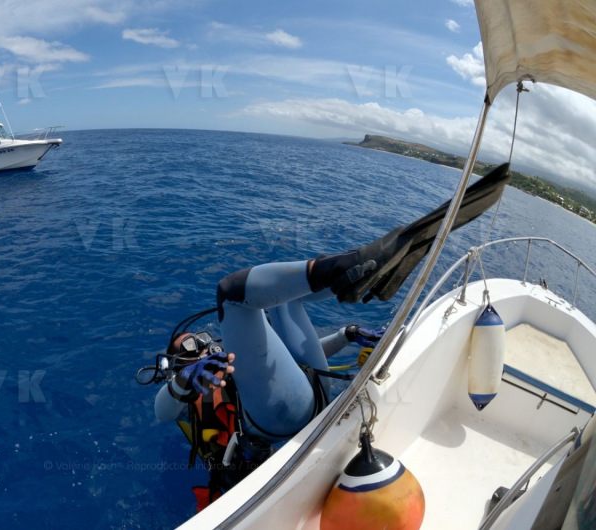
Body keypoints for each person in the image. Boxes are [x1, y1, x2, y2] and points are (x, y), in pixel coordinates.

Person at [148, 162, 512, 507]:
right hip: (279, 421)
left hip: (308, 393)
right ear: (177, 362)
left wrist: (346, 335)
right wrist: (183, 380)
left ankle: (356, 273)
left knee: (282, 302)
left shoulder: (230, 358)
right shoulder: (185, 393)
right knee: (231, 294)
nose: (201, 344)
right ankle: (346, 268)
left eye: (201, 340)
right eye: (189, 347)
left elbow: (288, 369)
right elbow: (162, 411)